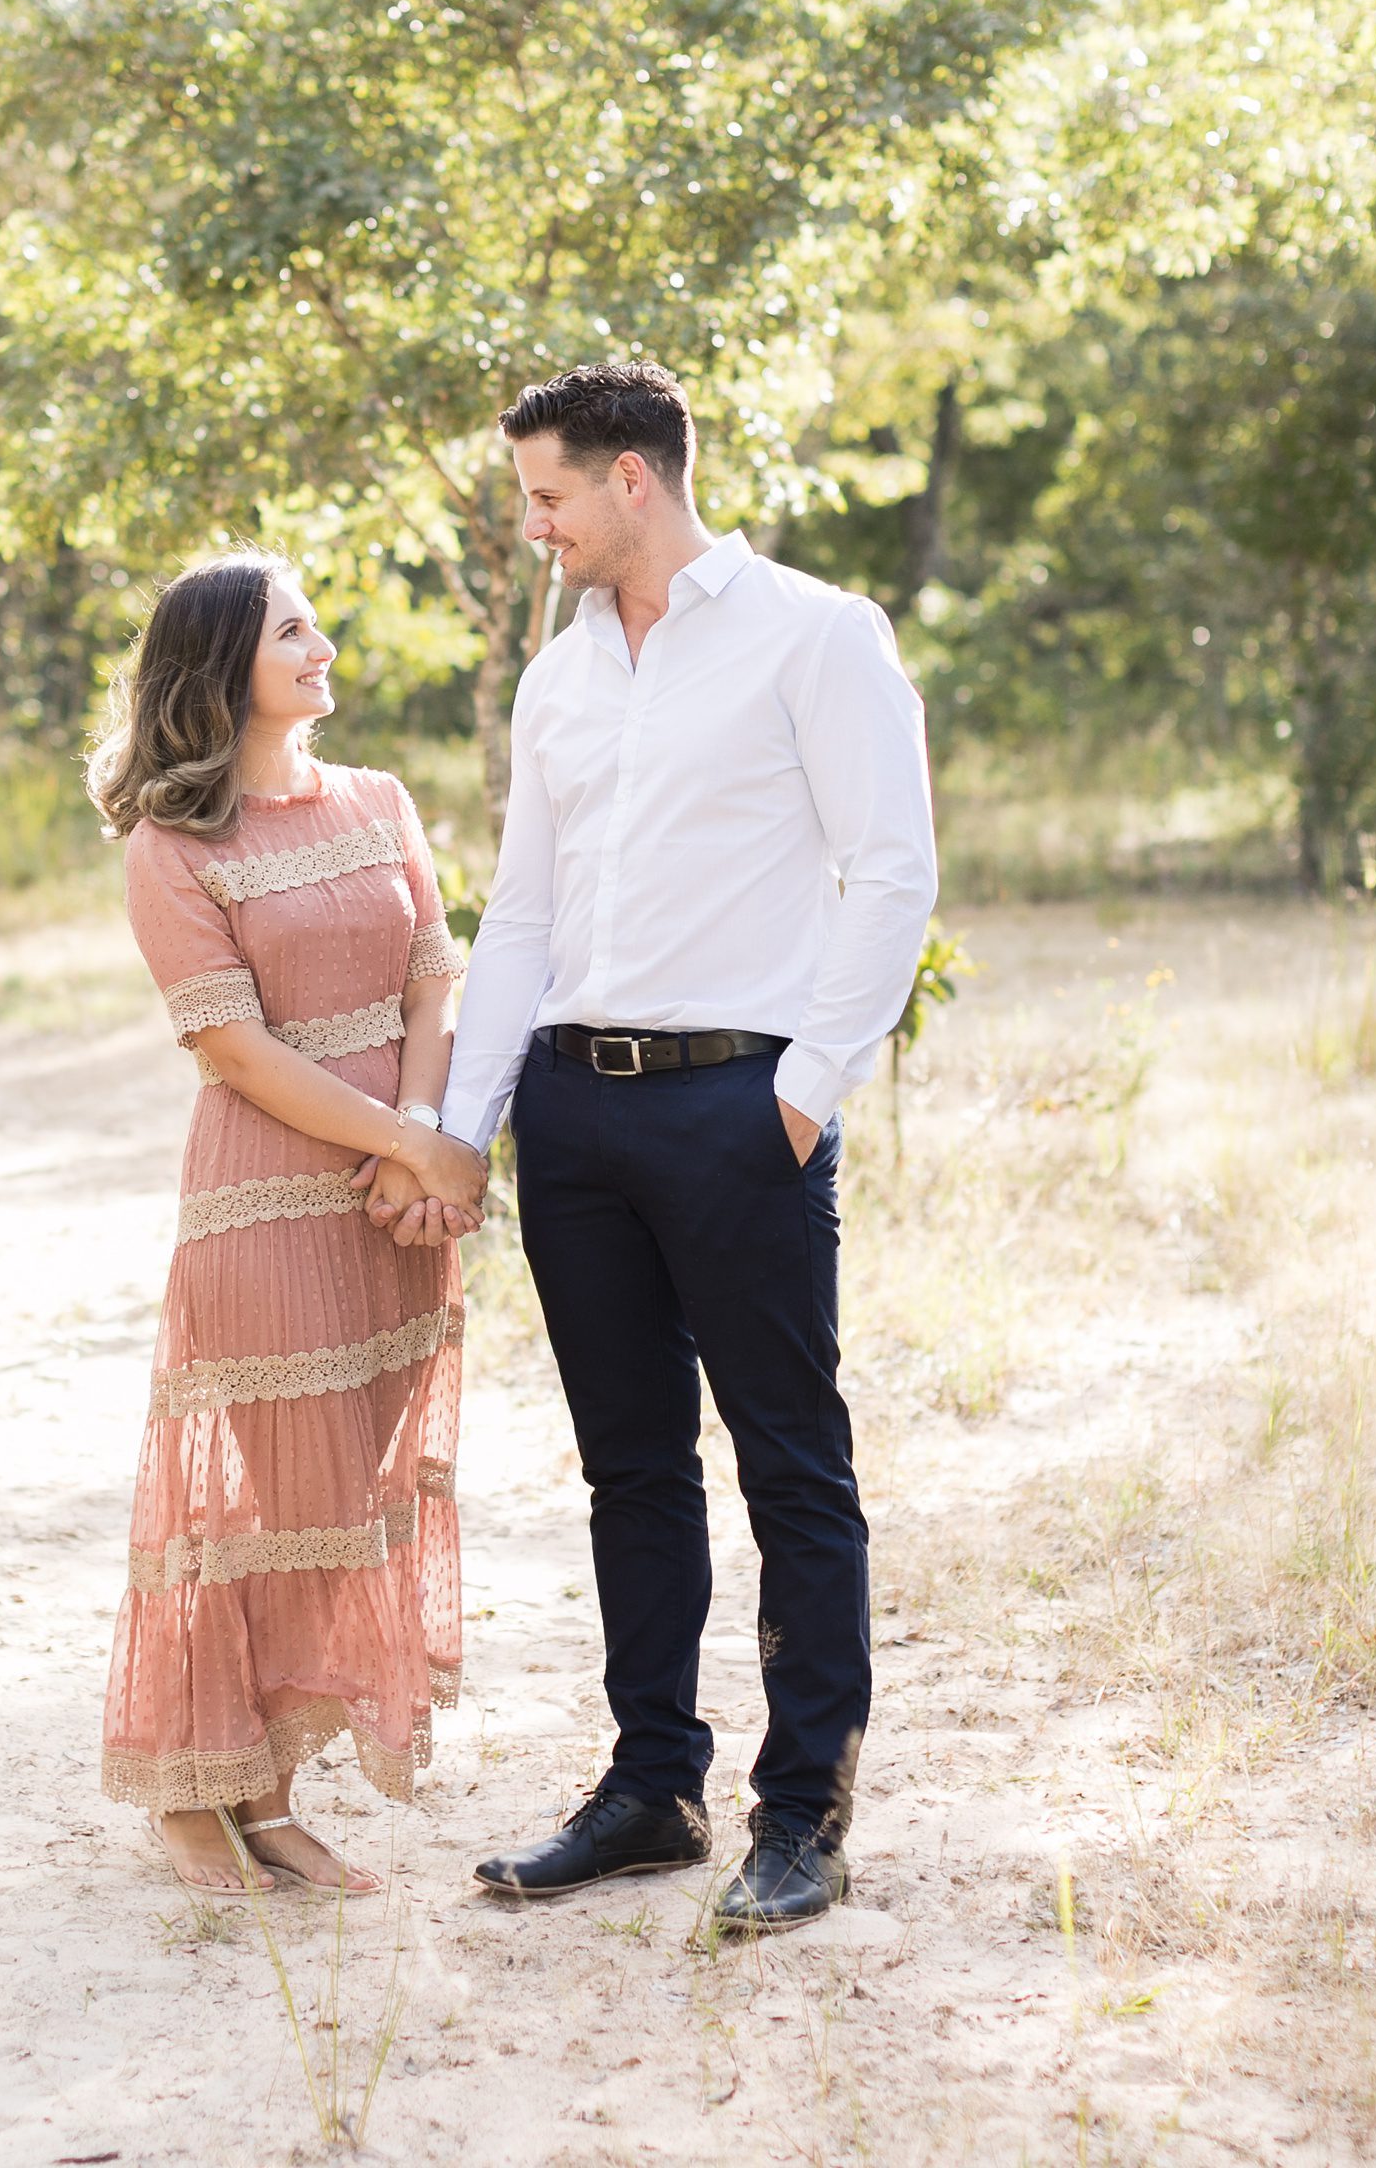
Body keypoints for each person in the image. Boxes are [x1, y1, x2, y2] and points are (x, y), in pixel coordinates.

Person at [442, 364, 936, 1932]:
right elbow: (519, 914)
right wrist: (476, 1122)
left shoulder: (815, 632)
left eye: (548, 496)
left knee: (792, 1461)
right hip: (573, 1115)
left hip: (741, 1105)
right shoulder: (559, 679)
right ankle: (653, 1787)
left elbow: (889, 869)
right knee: (628, 1467)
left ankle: (802, 1816)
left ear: (634, 480)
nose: (535, 527)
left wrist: (803, 1091)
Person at [92, 550, 488, 1896]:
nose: (323, 648)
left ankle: (244, 1785)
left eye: (317, 624)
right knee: (281, 1505)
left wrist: (425, 1141)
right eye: (292, 633)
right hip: (269, 1200)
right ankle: (226, 1799)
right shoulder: (174, 847)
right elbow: (239, 1054)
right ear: (219, 672)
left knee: (354, 1496)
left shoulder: (380, 801)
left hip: (396, 1203)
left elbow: (438, 976)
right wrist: (406, 1142)